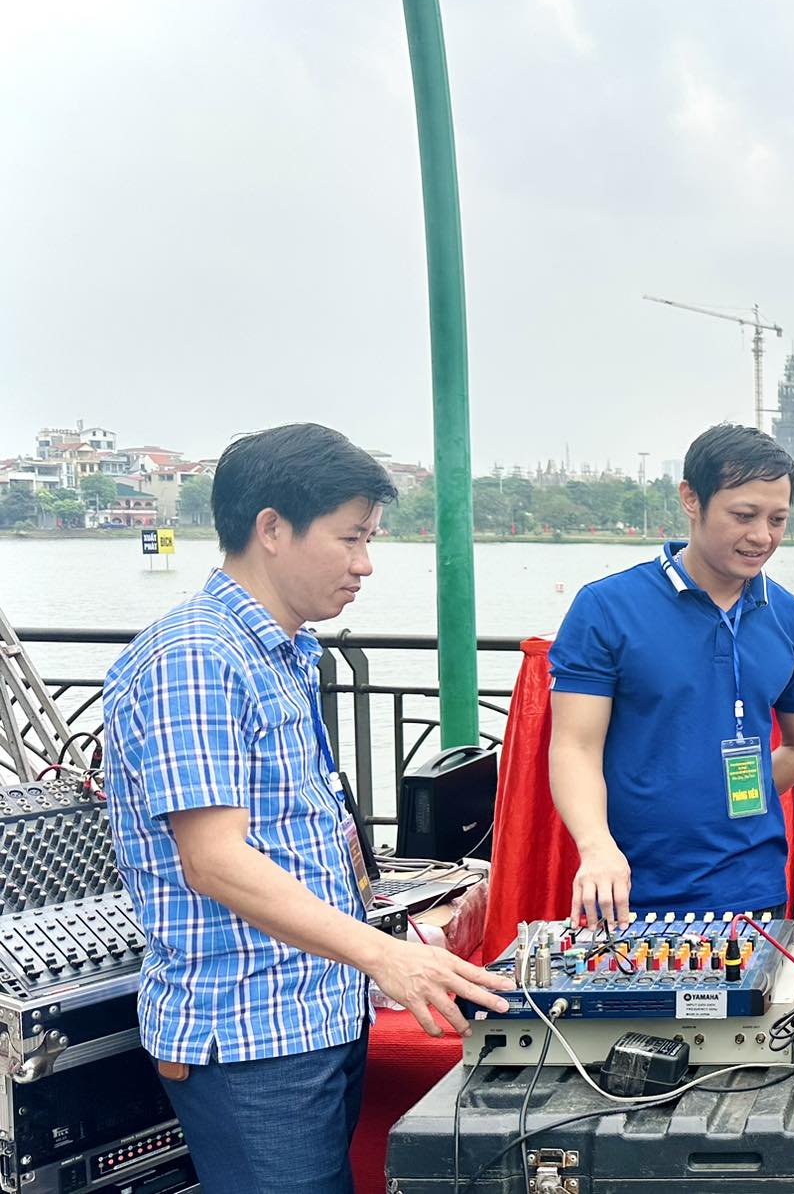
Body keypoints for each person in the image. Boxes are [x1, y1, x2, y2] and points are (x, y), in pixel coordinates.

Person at [100, 423, 513, 1194]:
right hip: (251, 1035)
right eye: (351, 538)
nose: (364, 564)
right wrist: (383, 954)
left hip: (312, 1011)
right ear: (271, 529)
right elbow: (215, 859)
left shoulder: (283, 650)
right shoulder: (198, 655)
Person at [550, 424, 794, 924]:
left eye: (777, 519)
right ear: (690, 499)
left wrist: (727, 802)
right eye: (743, 516)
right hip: (627, 890)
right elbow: (575, 745)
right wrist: (595, 846)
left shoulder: (793, 621)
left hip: (753, 889)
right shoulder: (607, 608)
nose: (762, 536)